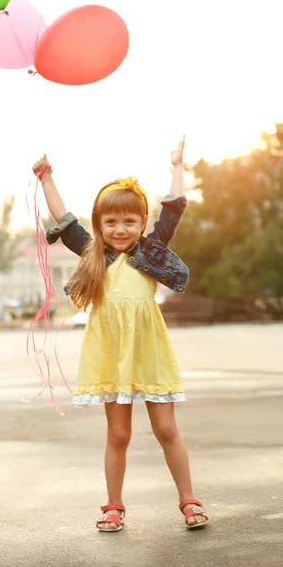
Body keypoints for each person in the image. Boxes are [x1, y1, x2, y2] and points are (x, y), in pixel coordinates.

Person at [32, 141, 209, 533]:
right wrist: (47, 178)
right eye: (110, 222)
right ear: (100, 226)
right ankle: (113, 506)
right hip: (111, 352)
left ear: (142, 222)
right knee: (119, 432)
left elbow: (174, 205)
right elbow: (64, 218)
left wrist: (177, 165)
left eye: (129, 221)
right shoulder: (94, 253)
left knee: (166, 429)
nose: (120, 229)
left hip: (148, 350)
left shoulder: (153, 250)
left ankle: (189, 499)